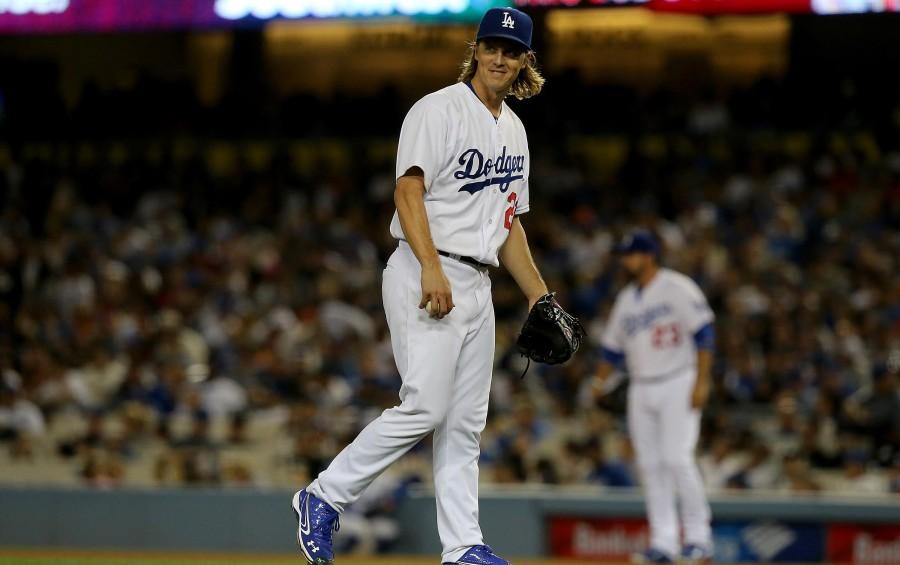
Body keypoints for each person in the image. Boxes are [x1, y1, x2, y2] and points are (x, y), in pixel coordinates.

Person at [291, 7, 550, 565]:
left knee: (464, 426)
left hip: (478, 281)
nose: (500, 57)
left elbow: (509, 222)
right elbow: (409, 191)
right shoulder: (438, 108)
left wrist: (539, 294)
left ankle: (463, 547)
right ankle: (323, 495)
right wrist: (431, 264)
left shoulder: (514, 129)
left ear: (526, 60)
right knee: (426, 407)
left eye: (511, 50)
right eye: (491, 46)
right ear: (475, 50)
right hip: (425, 269)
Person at [593, 230, 715, 565]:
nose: (625, 260)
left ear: (648, 255)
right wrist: (596, 383)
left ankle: (698, 539)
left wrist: (702, 382)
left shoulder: (677, 286)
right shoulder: (626, 299)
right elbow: (611, 350)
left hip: (679, 379)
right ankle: (663, 542)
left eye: (630, 254)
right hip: (641, 386)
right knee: (649, 465)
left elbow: (704, 334)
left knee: (677, 459)